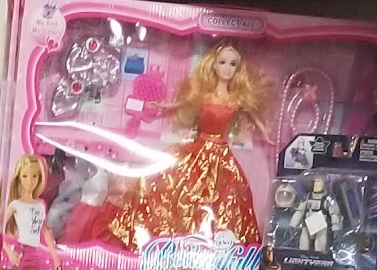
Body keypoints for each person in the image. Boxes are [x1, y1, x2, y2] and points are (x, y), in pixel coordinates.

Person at [107, 39, 268, 255]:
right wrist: (162, 105)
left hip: (221, 156)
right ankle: (172, 240)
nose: (227, 69)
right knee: (174, 187)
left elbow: (255, 117)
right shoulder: (205, 95)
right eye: (222, 62)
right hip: (197, 150)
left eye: (233, 64)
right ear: (213, 64)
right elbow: (182, 104)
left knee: (226, 200)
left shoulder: (236, 99)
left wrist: (267, 135)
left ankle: (215, 248)